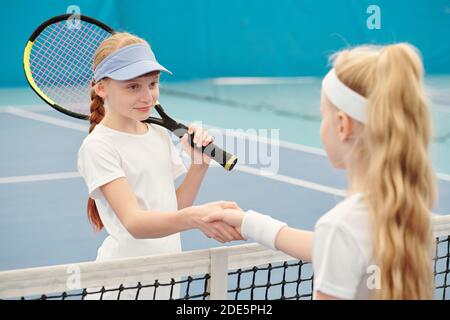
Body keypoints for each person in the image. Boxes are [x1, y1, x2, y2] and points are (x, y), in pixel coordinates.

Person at [203, 43, 437, 300]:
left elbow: (338, 242)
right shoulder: (409, 213)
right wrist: (249, 223)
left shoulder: (340, 227)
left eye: (322, 115)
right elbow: (335, 249)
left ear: (341, 125)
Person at [77, 32, 242, 299]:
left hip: (166, 276)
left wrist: (198, 166)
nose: (147, 96)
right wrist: (196, 218)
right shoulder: (98, 147)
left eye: (152, 84)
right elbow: (135, 223)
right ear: (102, 88)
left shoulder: (157, 134)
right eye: (133, 86)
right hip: (122, 284)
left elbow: (171, 209)